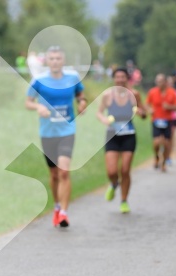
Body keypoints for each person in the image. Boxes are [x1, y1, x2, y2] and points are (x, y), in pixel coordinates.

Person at [25, 46, 87, 227]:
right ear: (47, 61)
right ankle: (57, 206)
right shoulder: (39, 80)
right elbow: (28, 102)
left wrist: (82, 103)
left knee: (64, 172)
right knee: (53, 174)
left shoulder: (73, 77)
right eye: (52, 59)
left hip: (67, 131)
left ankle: (64, 214)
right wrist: (38, 107)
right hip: (47, 133)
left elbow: (80, 95)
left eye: (58, 58)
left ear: (63, 60)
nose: (55, 62)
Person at [96, 68, 146, 213]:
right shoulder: (107, 95)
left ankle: (124, 201)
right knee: (112, 171)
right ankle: (113, 184)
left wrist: (141, 113)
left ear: (127, 78)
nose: (120, 80)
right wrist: (104, 119)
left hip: (129, 135)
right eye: (117, 77)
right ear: (114, 79)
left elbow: (144, 113)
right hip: (112, 135)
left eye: (122, 77)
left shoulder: (134, 94)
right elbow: (99, 112)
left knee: (125, 170)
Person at [144, 74, 176, 172]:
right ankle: (156, 156)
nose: (159, 83)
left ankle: (163, 163)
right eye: (157, 81)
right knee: (156, 142)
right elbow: (146, 105)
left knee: (166, 144)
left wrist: (170, 107)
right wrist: (150, 110)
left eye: (161, 81)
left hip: (168, 120)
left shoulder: (172, 92)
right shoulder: (152, 92)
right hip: (156, 120)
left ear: (165, 82)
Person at [165, 75, 176, 166]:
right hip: (160, 119)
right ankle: (163, 155)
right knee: (162, 140)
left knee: (170, 138)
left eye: (171, 83)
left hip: (173, 118)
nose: (170, 84)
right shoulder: (160, 92)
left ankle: (168, 157)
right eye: (168, 83)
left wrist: (170, 107)